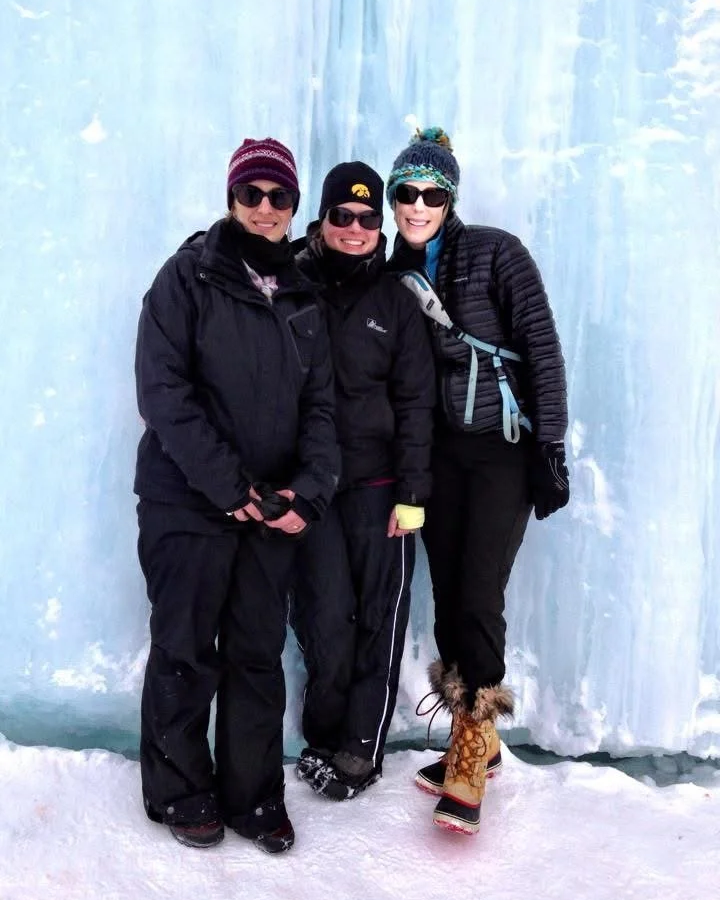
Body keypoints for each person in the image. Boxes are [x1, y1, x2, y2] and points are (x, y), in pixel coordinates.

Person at [134, 137, 339, 854]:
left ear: (293, 207)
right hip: (187, 501)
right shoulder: (187, 276)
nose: (264, 208)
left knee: (256, 653)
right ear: (231, 199)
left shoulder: (303, 296)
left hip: (269, 511)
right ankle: (180, 791)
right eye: (251, 194)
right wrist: (229, 486)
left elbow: (321, 410)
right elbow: (163, 392)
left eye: (279, 197)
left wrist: (306, 494)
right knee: (186, 647)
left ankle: (253, 797)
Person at [385, 127, 570, 835]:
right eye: (407, 192)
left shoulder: (497, 254)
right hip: (440, 455)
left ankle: (469, 751)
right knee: (447, 597)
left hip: (501, 450)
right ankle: (478, 738)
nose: (418, 205)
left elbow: (542, 349)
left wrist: (550, 446)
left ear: (451, 200)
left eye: (432, 195)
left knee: (479, 592)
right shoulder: (390, 271)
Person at [290, 161, 435, 800]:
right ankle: (322, 737)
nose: (355, 228)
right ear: (322, 220)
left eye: (368, 217)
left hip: (381, 486)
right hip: (313, 487)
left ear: (381, 226)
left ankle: (360, 751)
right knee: (325, 617)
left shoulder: (396, 302)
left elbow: (417, 402)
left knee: (380, 619)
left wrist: (413, 494)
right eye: (341, 216)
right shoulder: (293, 287)